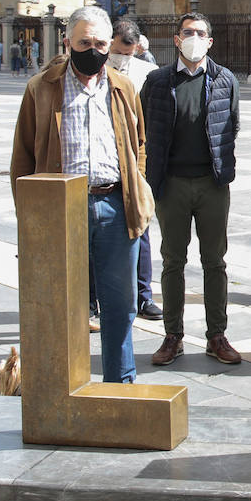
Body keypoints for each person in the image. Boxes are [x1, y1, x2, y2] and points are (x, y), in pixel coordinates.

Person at [11, 5, 153, 382]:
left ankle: (120, 382)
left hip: (114, 204)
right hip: (61, 206)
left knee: (120, 303)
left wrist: (135, 183)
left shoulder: (122, 87)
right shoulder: (42, 87)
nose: (93, 49)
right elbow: (23, 156)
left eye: (100, 43)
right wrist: (30, 217)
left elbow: (138, 143)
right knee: (62, 301)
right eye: (84, 42)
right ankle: (62, 385)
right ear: (68, 42)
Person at [140, 12, 242, 368]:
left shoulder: (225, 79)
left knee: (215, 261)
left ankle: (217, 335)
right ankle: (172, 336)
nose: (194, 37)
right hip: (171, 185)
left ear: (210, 41)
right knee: (172, 261)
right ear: (177, 39)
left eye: (200, 33)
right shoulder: (156, 81)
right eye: (188, 32)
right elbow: (144, 129)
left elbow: (232, 125)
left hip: (212, 184)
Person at [104, 18, 163, 321]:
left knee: (140, 227)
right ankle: (92, 301)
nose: (121, 58)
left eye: (127, 53)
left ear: (138, 48)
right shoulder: (96, 70)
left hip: (137, 159)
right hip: (103, 161)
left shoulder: (148, 73)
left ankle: (143, 296)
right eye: (116, 51)